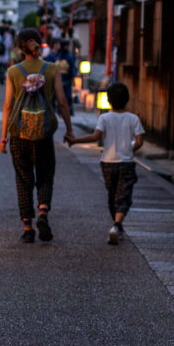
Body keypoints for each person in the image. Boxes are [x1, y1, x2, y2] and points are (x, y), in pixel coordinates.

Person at [0, 27, 74, 244]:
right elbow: (62, 102)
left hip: (19, 133)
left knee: (23, 179)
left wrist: (3, 136)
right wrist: (69, 130)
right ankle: (43, 212)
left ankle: (27, 228)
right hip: (43, 133)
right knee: (45, 174)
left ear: (20, 47)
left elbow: (7, 106)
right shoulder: (51, 69)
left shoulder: (13, 71)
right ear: (39, 44)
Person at [64, 82, 144, 244]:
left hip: (107, 162)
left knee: (112, 194)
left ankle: (117, 226)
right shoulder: (133, 119)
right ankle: (117, 225)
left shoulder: (105, 118)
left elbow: (95, 137)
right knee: (124, 195)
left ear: (108, 101)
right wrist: (131, 150)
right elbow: (140, 141)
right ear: (127, 100)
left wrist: (75, 140)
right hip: (126, 163)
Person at [46, 39, 76, 108]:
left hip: (66, 79)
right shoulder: (53, 55)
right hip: (56, 79)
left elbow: (72, 68)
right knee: (56, 98)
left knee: (66, 97)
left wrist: (72, 77)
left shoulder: (68, 56)